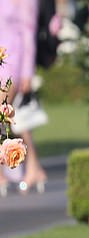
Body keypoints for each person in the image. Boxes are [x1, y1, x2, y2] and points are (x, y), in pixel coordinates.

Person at [0, 0, 48, 196]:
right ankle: (34, 167)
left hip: (12, 59)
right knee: (15, 119)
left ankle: (11, 171)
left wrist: (27, 72)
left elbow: (28, 32)